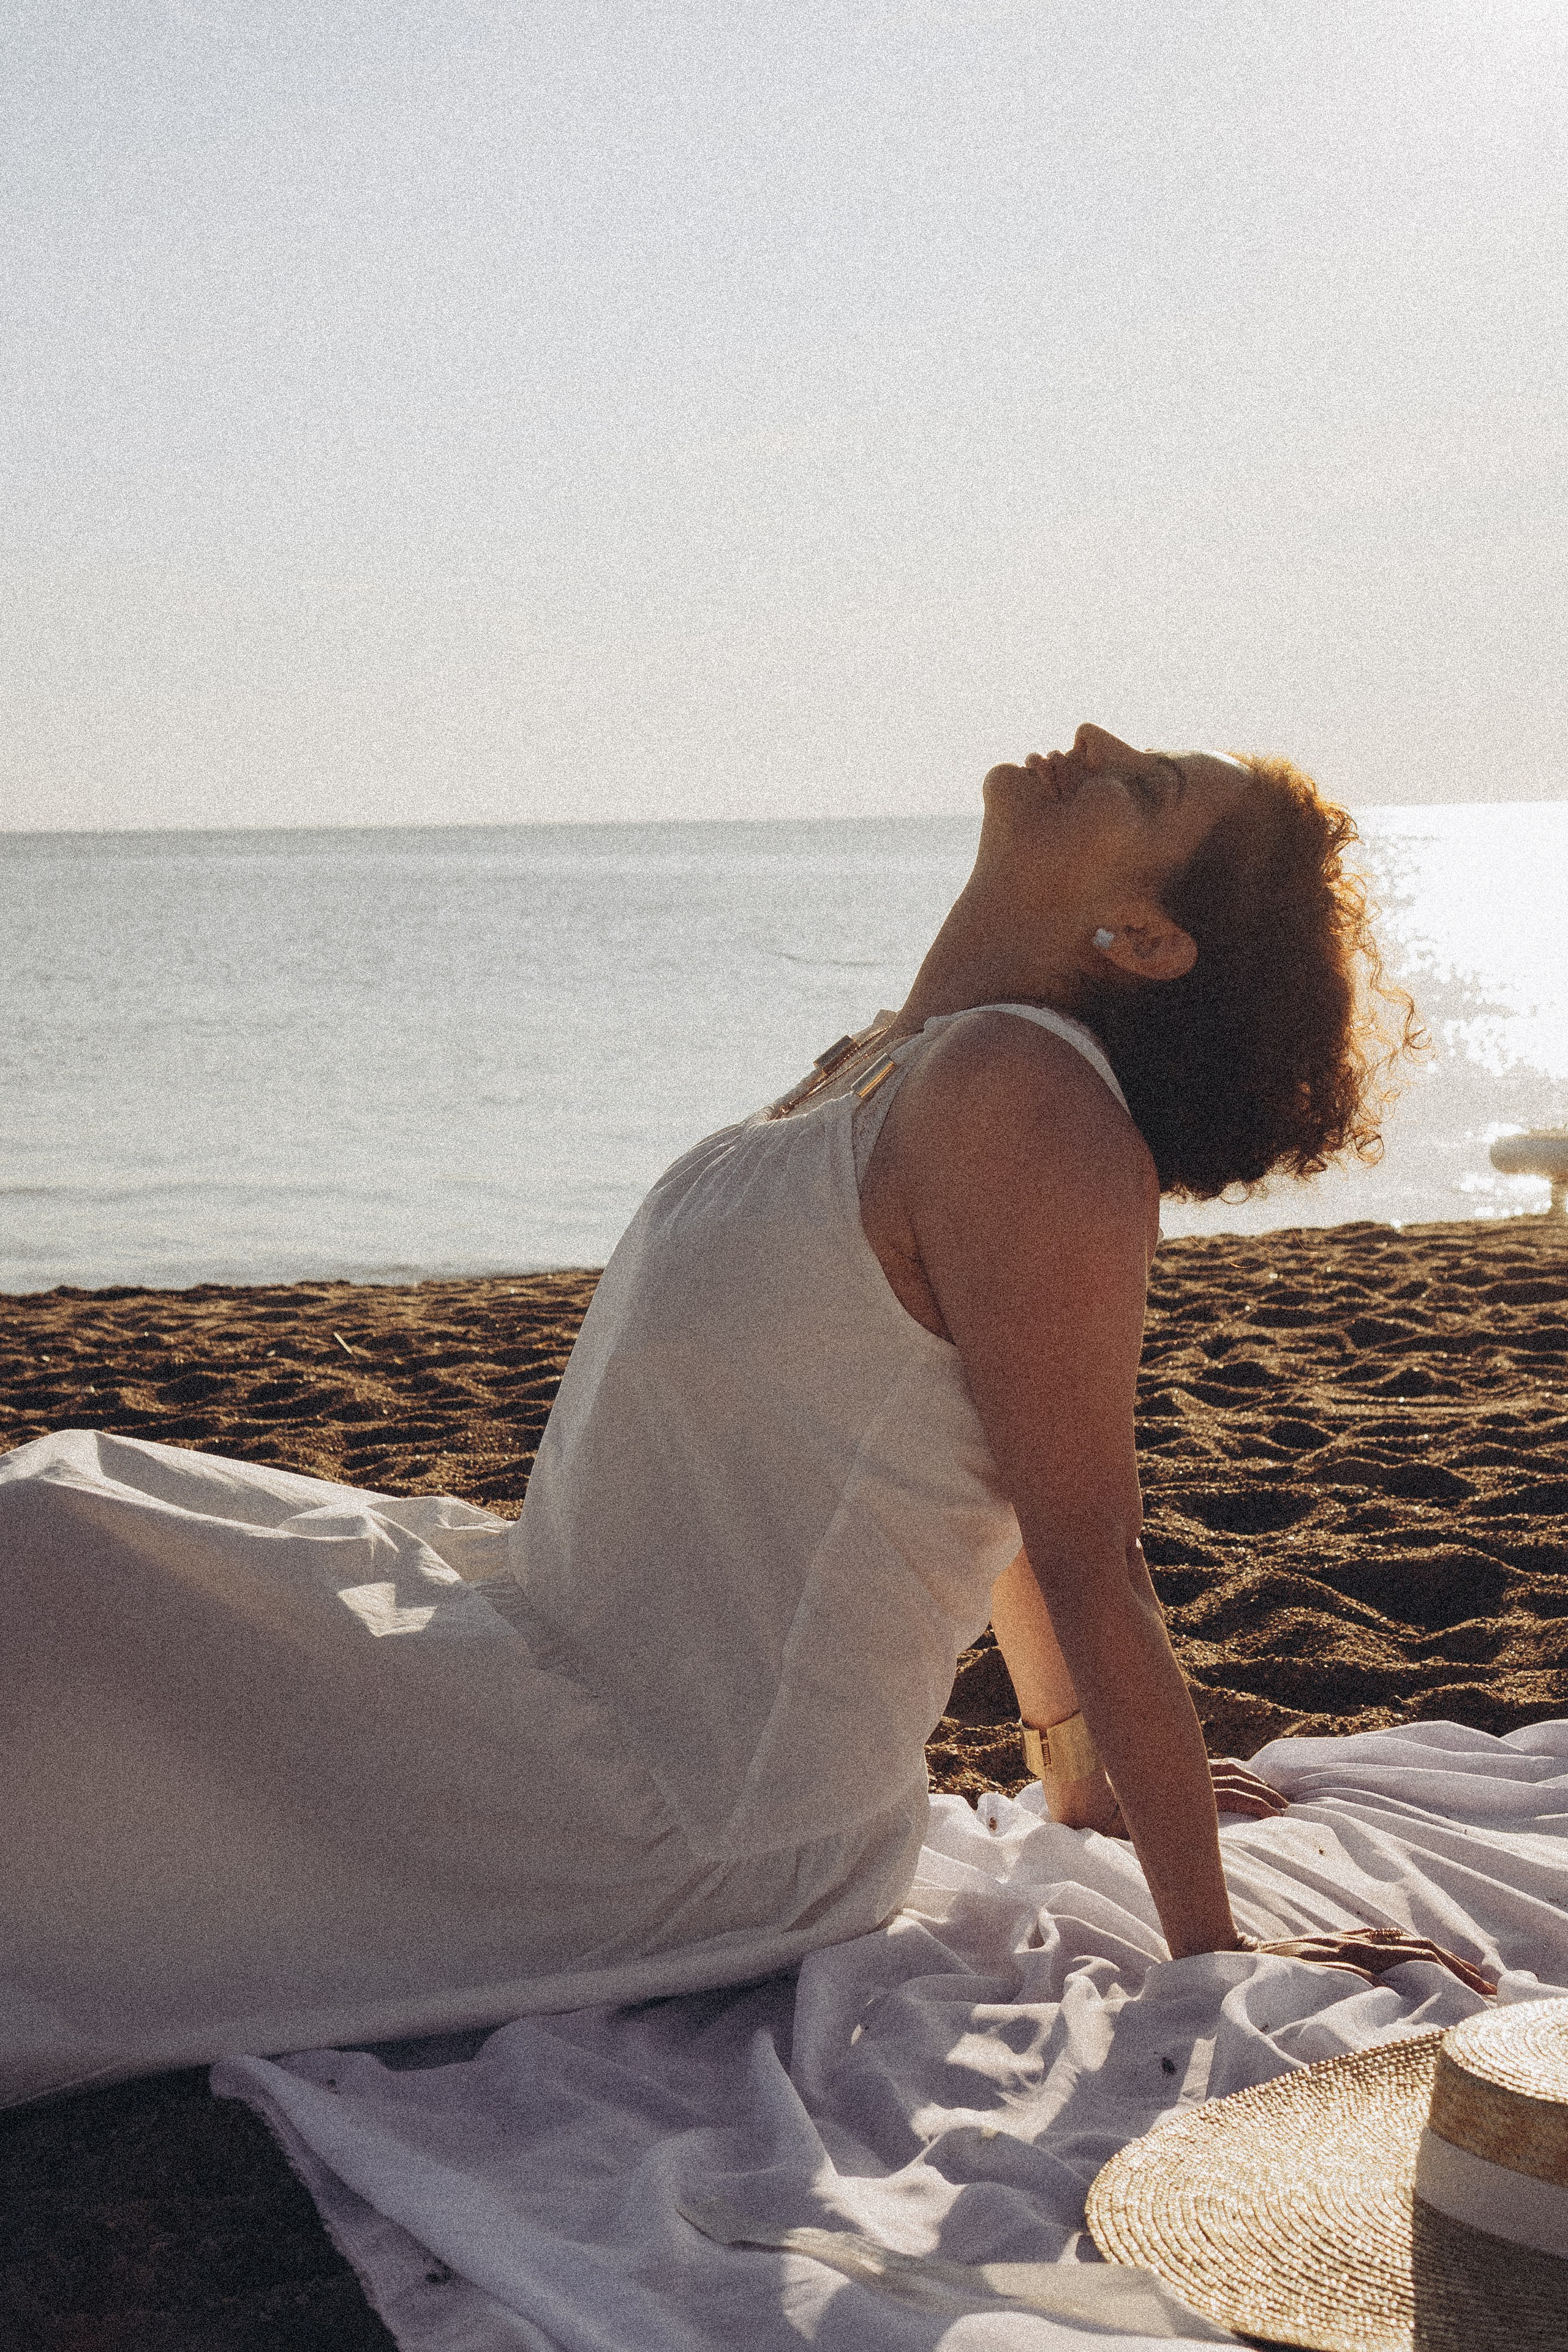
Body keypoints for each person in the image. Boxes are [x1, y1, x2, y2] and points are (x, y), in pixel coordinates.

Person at [0, 722, 1480, 2112]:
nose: (1090, 743)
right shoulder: (898, 1059)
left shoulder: (1027, 1106)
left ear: (1145, 939)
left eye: (1142, 788)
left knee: (46, 1547)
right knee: (74, 1507)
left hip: (676, 1797)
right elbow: (988, 1463)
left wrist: (1208, 1946)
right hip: (548, 1630)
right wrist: (1068, 1759)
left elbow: (1084, 1536)